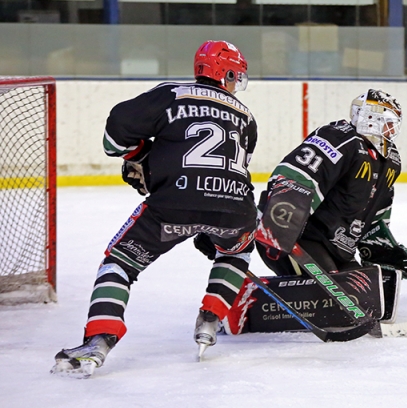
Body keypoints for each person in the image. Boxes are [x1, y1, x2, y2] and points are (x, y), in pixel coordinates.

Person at [51, 40, 258, 378]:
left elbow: (114, 137)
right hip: (236, 209)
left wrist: (138, 156)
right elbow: (231, 171)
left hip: (173, 205)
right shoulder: (247, 117)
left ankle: (98, 340)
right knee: (237, 251)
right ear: (227, 74)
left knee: (120, 262)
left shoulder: (171, 93)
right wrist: (214, 226)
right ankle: (210, 319)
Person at [252, 89, 407, 289]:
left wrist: (384, 251)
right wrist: (279, 223)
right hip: (303, 238)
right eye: (387, 122)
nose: (391, 129)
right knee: (337, 293)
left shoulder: (390, 161)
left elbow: (377, 215)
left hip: (340, 248)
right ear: (370, 118)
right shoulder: (340, 138)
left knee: (364, 293)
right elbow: (294, 173)